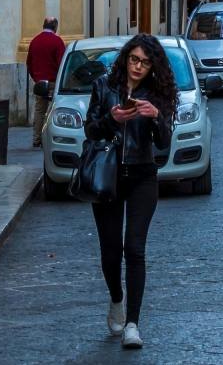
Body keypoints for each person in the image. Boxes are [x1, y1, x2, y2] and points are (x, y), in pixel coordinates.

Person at [84, 34, 176, 350]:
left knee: (134, 248)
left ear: (153, 67)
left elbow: (164, 142)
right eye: (134, 59)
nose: (138, 67)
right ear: (125, 58)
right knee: (111, 250)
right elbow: (90, 130)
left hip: (142, 176)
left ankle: (133, 324)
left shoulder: (157, 94)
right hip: (107, 177)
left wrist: (156, 118)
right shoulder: (103, 87)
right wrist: (111, 119)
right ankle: (116, 299)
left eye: (145, 62)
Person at [27, 18, 66, 147]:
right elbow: (61, 63)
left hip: (39, 82)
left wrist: (36, 78)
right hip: (54, 82)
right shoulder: (57, 41)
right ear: (55, 27)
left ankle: (36, 138)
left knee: (39, 110)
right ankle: (49, 138)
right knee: (52, 111)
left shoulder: (34, 41)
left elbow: (29, 63)